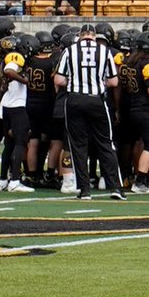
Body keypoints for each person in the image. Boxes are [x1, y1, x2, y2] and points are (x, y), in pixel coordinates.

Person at [54, 24, 123, 199]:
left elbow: (59, 79)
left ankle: (84, 190)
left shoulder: (69, 51)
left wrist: (75, 81)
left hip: (75, 99)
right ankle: (114, 187)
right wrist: (98, 81)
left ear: (80, 35)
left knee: (78, 146)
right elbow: (114, 82)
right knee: (106, 144)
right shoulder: (105, 51)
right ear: (94, 35)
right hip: (97, 100)